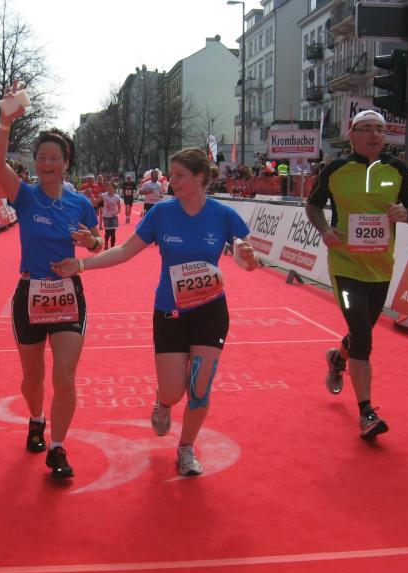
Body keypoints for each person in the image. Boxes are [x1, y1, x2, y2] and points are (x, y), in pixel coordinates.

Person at [52, 148, 258, 477]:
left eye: (179, 176)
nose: (170, 182)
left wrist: (248, 257)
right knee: (173, 390)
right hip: (170, 312)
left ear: (199, 178)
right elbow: (125, 250)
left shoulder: (223, 215)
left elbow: (249, 259)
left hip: (211, 312)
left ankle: (186, 447)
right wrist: (81, 264)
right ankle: (163, 403)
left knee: (199, 388)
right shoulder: (162, 213)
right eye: (170, 175)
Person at [0, 81, 101, 480]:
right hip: (30, 294)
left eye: (54, 158)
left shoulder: (80, 203)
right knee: (33, 377)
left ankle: (58, 448)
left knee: (65, 376)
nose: (47, 163)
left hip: (68, 295)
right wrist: (5, 123)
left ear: (66, 163)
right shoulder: (25, 196)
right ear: (35, 162)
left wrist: (89, 243)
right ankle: (36, 418)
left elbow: (97, 243)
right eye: (41, 158)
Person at [305, 110, 408, 440]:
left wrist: (406, 213)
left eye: (380, 130)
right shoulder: (336, 170)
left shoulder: (397, 169)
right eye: (367, 129)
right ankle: (366, 412)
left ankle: (337, 358)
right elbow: (312, 205)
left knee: (362, 332)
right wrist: (325, 230)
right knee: (362, 332)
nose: (374, 135)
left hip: (380, 267)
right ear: (352, 134)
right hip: (345, 265)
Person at [100, 182, 123, 249]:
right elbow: (97, 201)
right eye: (108, 186)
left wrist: (116, 213)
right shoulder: (104, 195)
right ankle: (106, 243)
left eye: (111, 187)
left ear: (114, 189)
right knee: (107, 232)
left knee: (113, 232)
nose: (109, 188)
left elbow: (119, 208)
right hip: (106, 216)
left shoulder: (117, 197)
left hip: (113, 217)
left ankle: (112, 247)